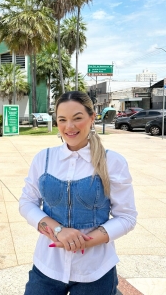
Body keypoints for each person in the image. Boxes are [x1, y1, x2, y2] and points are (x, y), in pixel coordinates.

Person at [19, 91, 137, 295]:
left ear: (92, 118)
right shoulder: (44, 159)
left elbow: (127, 217)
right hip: (47, 269)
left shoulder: (113, 162)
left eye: (77, 118)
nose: (69, 127)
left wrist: (85, 240)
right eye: (62, 120)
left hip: (95, 272)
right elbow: (26, 202)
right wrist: (58, 231)